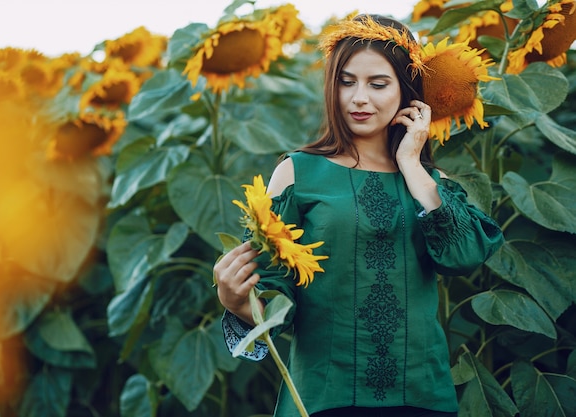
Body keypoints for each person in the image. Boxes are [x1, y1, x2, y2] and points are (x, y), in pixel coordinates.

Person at [214, 13, 504, 417]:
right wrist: (237, 301)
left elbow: (465, 256)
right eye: (346, 82)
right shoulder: (298, 173)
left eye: (378, 84)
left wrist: (412, 163)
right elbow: (278, 295)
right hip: (324, 397)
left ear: (407, 92)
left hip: (422, 396)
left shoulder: (429, 181)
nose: (358, 98)